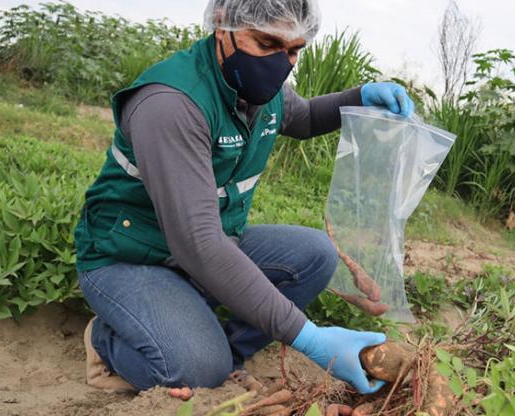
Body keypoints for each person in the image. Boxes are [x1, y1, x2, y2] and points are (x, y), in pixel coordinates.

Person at [73, 0, 415, 399]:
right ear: (223, 24)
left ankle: (223, 353)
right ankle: (107, 342)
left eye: (293, 50)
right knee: (196, 367)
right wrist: (310, 338)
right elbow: (198, 243)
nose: (281, 62)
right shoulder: (171, 103)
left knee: (314, 254)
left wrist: (360, 97)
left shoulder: (255, 86)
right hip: (130, 256)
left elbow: (301, 117)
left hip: (202, 247)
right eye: (267, 43)